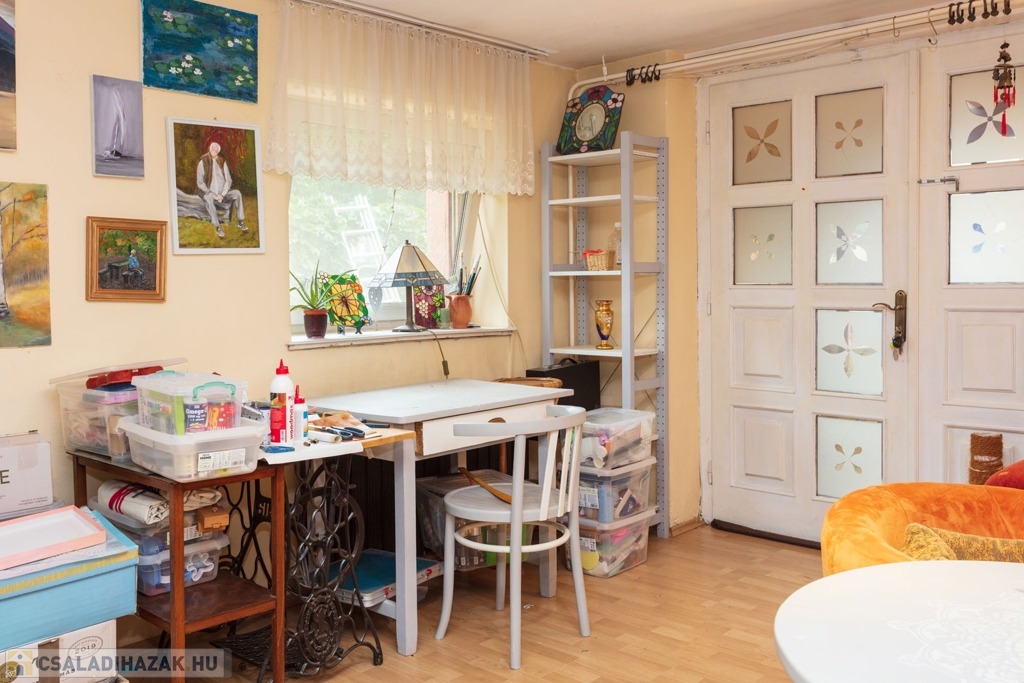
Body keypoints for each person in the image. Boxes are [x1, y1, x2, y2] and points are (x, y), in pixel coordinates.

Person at [196, 141, 247, 238]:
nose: (214, 150)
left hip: (222, 194)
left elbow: (228, 180)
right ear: (209, 149)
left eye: (216, 149)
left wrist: (222, 195)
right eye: (212, 148)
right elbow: (200, 182)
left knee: (237, 193)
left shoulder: (222, 161)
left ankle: (240, 221)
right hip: (209, 193)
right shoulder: (203, 162)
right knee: (209, 199)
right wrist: (212, 194)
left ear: (218, 151)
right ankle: (217, 227)